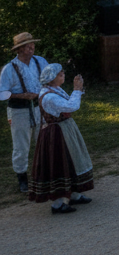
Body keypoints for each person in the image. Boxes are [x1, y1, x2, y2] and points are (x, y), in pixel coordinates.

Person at [28, 63, 94, 212]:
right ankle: (58, 203)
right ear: (51, 79)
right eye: (60, 74)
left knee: (73, 160)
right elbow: (71, 106)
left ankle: (74, 194)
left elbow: (68, 104)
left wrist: (77, 91)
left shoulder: (54, 89)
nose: (63, 75)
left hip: (65, 129)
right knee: (59, 164)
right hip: (56, 135)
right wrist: (77, 90)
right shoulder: (49, 96)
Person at [4, 32, 48, 193]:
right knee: (21, 145)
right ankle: (22, 178)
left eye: (32, 44)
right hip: (18, 109)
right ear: (19, 49)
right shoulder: (9, 69)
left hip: (39, 106)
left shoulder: (40, 61)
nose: (31, 47)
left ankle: (44, 174)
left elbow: (50, 80)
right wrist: (20, 95)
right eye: (27, 46)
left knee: (43, 140)